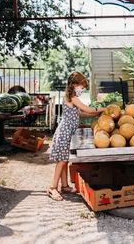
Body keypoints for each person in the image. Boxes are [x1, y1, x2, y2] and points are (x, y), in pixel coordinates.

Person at [48, 72, 105, 201]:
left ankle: (64, 186)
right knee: (61, 161)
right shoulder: (72, 97)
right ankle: (52, 187)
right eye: (81, 86)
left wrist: (94, 115)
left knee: (64, 159)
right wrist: (102, 109)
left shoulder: (72, 98)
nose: (82, 89)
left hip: (66, 132)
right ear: (74, 85)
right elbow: (87, 109)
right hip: (64, 132)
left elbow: (81, 114)